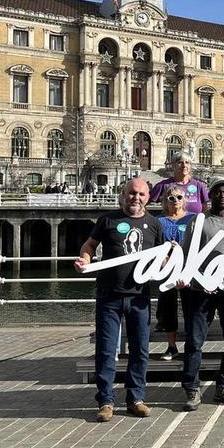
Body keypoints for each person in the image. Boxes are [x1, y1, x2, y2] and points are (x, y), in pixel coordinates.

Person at [74, 178, 163, 422]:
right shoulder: (107, 220)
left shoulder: (154, 224)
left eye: (141, 194)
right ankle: (105, 401)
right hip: (109, 295)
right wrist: (85, 259)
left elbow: (163, 257)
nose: (136, 198)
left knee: (140, 350)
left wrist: (172, 263)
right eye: (132, 193)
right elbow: (90, 245)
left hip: (139, 296)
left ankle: (136, 398)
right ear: (123, 195)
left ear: (148, 197)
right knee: (105, 350)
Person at [178, 177, 224, 411]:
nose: (222, 195)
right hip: (201, 290)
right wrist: (199, 282)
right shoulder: (198, 222)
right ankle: (192, 388)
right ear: (211, 196)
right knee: (195, 341)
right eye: (217, 192)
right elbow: (187, 257)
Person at [155, 186, 197, 361]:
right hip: (167, 269)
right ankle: (171, 346)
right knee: (168, 307)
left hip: (187, 269)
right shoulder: (159, 221)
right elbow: (156, 244)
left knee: (190, 307)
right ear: (165, 201)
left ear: (184, 200)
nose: (176, 201)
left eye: (179, 197)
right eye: (171, 198)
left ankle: (191, 345)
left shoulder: (192, 219)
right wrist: (165, 260)